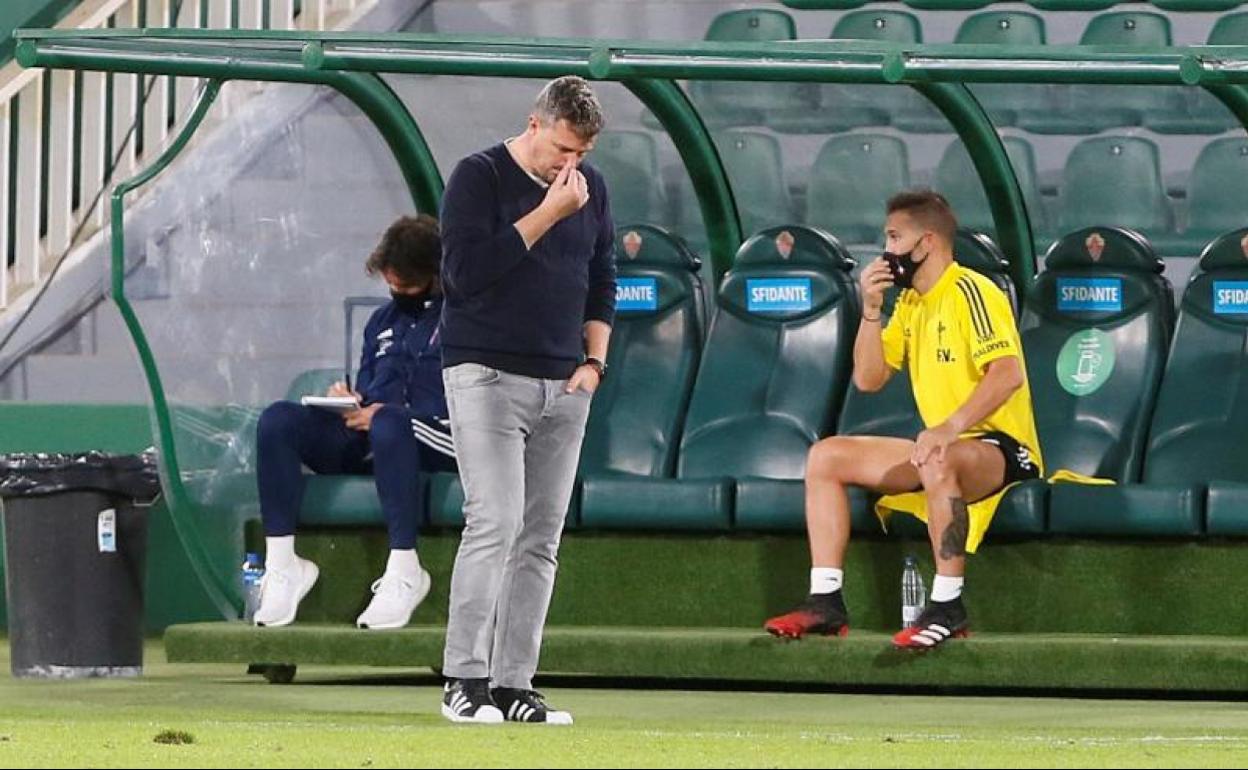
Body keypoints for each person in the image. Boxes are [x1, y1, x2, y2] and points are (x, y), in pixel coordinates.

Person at [764, 190, 1043, 649]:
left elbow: (1008, 375)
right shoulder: (911, 303)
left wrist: (950, 427)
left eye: (894, 237)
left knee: (939, 459)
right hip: (940, 449)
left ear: (926, 242)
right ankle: (826, 601)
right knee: (826, 456)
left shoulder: (973, 290)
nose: (887, 249)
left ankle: (948, 605)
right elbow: (870, 379)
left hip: (1001, 449)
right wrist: (870, 311)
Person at [437, 75, 615, 725]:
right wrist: (547, 214)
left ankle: (514, 684)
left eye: (582, 156)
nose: (570, 167)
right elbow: (463, 275)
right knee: (495, 522)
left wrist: (594, 363)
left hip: (564, 383)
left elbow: (602, 280)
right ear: (534, 125)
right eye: (562, 150)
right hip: (484, 373)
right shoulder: (478, 176)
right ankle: (464, 678)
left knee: (540, 538)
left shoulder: (590, 191)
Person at [252, 214, 456, 630]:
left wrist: (387, 414)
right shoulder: (381, 321)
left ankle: (405, 568)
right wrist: (348, 400)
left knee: (390, 423)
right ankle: (283, 564)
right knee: (277, 420)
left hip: (438, 436)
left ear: (434, 276)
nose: (395, 292)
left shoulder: (464, 320)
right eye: (390, 285)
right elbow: (370, 390)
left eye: (405, 285)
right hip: (375, 434)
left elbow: (469, 404)